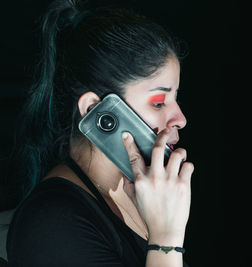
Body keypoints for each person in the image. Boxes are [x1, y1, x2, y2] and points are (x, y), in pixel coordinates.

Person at [5, 0, 194, 266]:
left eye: (176, 99)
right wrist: (166, 240)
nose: (180, 119)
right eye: (159, 102)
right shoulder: (52, 224)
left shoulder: (144, 199)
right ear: (95, 109)